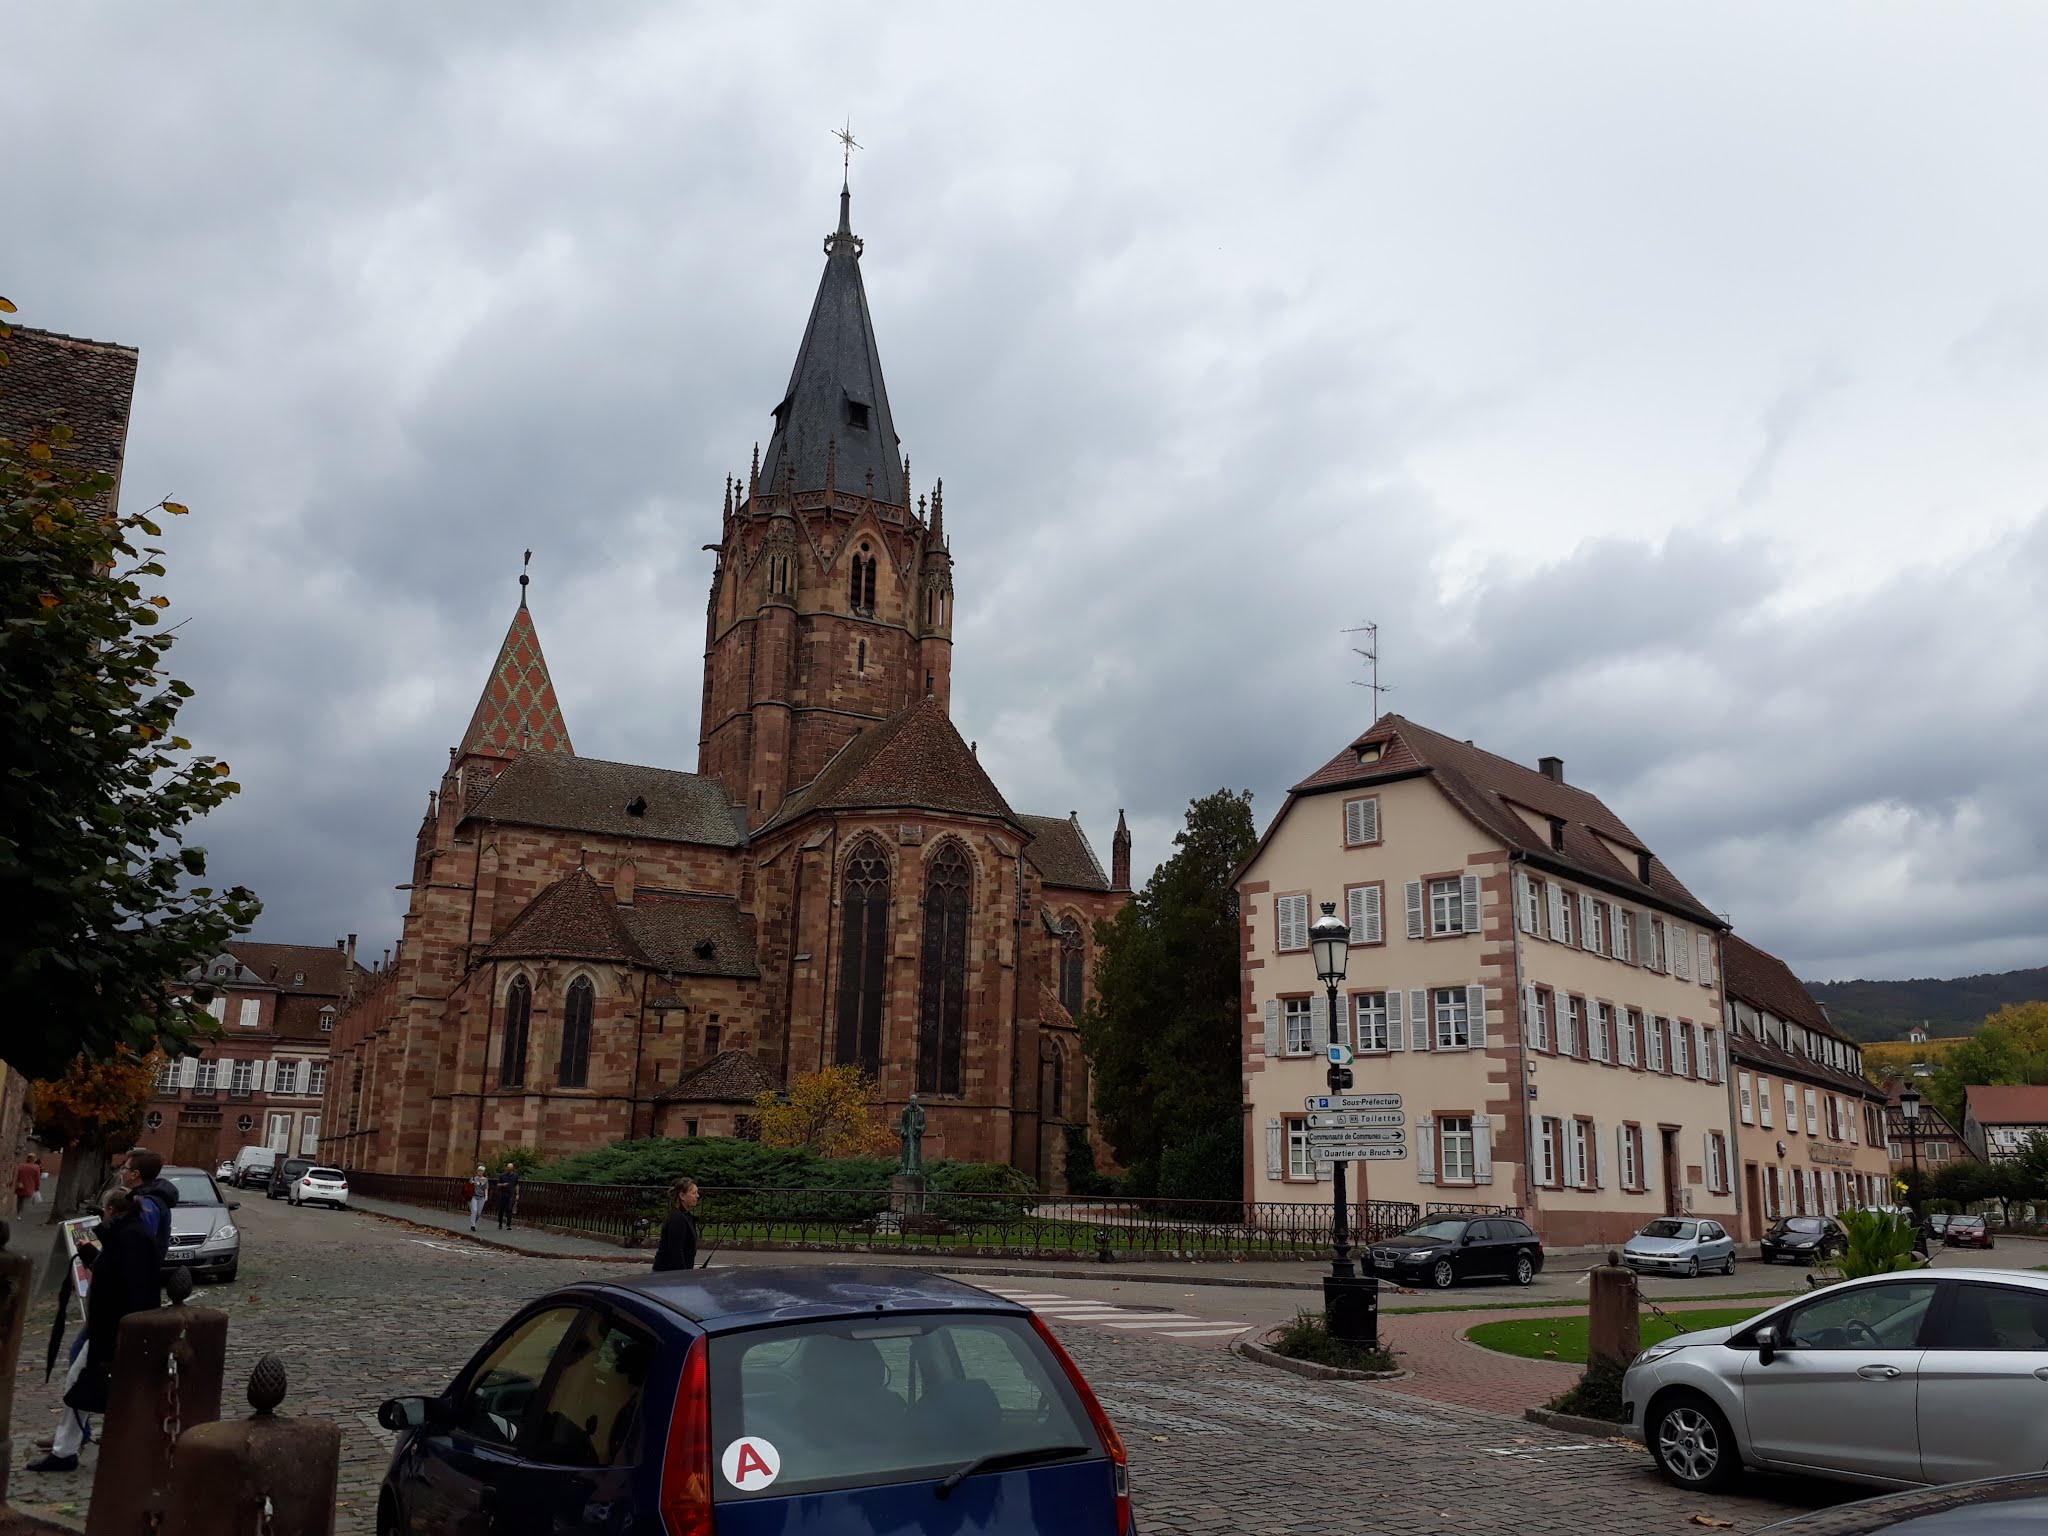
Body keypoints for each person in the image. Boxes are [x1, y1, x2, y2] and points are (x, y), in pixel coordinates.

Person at [28, 1189, 161, 1473]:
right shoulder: (130, 1235)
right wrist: (91, 1253)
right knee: (87, 1385)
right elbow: (115, 1273)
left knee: (82, 1385)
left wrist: (118, 1332)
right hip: (115, 1329)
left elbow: (126, 1286)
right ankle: (71, 1449)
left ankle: (68, 1451)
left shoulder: (131, 1238)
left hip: (113, 1330)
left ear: (111, 1210)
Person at [121, 1148, 180, 1261]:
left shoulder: (147, 1204)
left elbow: (138, 1244)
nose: (121, 1172)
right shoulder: (146, 1197)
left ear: (135, 1174)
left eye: (125, 1168)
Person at [651, 1179, 700, 1273]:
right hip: (667, 1274)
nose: (697, 1196)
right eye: (694, 1193)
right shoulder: (677, 1218)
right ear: (682, 1196)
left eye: (697, 1193)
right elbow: (675, 1251)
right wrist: (684, 1274)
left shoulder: (685, 1216)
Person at [495, 1162, 520, 1230]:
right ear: (507, 1168)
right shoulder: (502, 1175)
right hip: (503, 1194)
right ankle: (500, 1223)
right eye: (508, 1169)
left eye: (511, 1169)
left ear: (513, 1169)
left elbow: (516, 1185)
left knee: (509, 1209)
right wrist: (503, 1185)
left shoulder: (515, 1176)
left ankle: (508, 1224)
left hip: (511, 1195)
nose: (509, 1170)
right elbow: (498, 1184)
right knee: (501, 1210)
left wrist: (517, 1194)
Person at [468, 1165, 490, 1231]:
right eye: (478, 1170)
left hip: (481, 1197)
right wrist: (471, 1183)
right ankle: (473, 1225)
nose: (479, 1172)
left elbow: (486, 1188)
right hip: (474, 1196)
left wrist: (486, 1196)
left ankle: (474, 1222)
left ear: (483, 1172)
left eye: (481, 1171)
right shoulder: (474, 1178)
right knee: (474, 1210)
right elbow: (468, 1187)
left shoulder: (485, 1179)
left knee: (478, 1213)